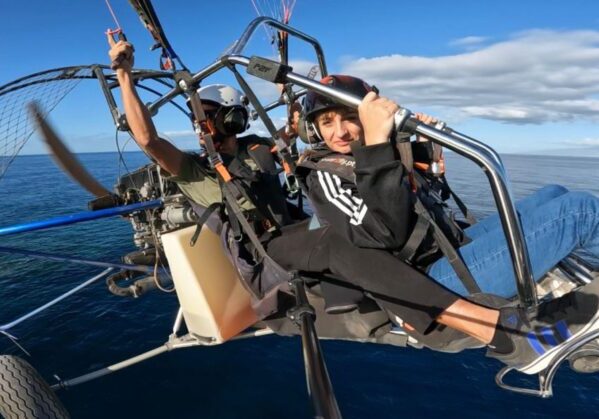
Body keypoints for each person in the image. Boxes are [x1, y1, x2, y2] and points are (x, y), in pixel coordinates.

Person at [108, 37, 599, 375]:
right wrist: (125, 75)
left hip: (307, 237)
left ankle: (511, 304)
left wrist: (410, 143)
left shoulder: (259, 150)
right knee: (336, 241)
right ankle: (482, 324)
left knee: (555, 196)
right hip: (273, 252)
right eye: (211, 120)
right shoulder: (197, 170)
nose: (218, 127)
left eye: (223, 118)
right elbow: (147, 138)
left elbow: (300, 135)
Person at [295, 74, 599, 374]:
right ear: (314, 131)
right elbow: (385, 233)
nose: (340, 133)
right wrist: (376, 144)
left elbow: (431, 202)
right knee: (581, 211)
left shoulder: (375, 155)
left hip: (450, 250)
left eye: (350, 118)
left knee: (554, 193)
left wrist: (427, 151)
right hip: (431, 281)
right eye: (327, 123)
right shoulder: (326, 174)